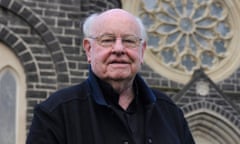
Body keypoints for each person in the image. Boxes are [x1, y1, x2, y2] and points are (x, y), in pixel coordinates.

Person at [26, 8, 195, 144]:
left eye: (129, 40)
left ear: (142, 51)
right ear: (89, 49)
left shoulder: (169, 112)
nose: (119, 49)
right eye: (107, 40)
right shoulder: (56, 112)